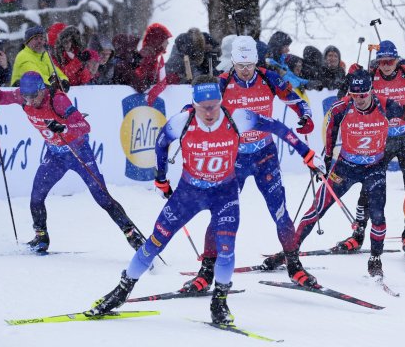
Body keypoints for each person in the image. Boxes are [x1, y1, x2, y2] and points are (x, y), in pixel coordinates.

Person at [87, 75, 323, 323]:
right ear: (193, 104)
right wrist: (161, 179)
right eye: (203, 107)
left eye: (214, 105)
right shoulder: (182, 121)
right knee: (155, 242)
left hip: (225, 193)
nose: (209, 112)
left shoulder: (238, 117)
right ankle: (122, 290)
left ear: (221, 101)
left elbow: (279, 128)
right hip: (189, 193)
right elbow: (160, 144)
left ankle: (219, 301)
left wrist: (307, 153)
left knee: (226, 249)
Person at [277, 70, 405, 286]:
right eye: (355, 94)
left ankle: (375, 259)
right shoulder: (342, 107)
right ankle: (291, 254)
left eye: (364, 94)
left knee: (378, 216)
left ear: (371, 91)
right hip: (346, 167)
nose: (359, 99)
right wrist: (328, 159)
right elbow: (331, 130)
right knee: (317, 208)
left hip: (374, 167)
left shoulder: (387, 105)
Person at [182, 37, 315, 291]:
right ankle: (206, 272)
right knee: (220, 214)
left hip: (265, 155)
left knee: (280, 211)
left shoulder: (269, 78)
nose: (245, 70)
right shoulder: (222, 82)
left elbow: (297, 101)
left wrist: (305, 116)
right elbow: (196, 107)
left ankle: (294, 266)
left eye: (250, 64)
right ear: (233, 61)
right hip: (234, 158)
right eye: (241, 64)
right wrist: (186, 120)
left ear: (256, 61)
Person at [0, 72, 145, 253]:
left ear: (42, 89)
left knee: (101, 196)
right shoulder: (22, 96)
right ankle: (41, 237)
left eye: (33, 96)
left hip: (79, 153)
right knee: (36, 196)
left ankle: (131, 233)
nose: (29, 101)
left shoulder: (58, 100)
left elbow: (85, 126)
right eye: (25, 96)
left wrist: (65, 127)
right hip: (56, 156)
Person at [331, 41, 405, 255]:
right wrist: (349, 77)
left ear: (397, 60)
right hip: (381, 139)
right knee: (368, 188)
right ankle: (358, 235)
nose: (386, 65)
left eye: (390, 61)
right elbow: (342, 96)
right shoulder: (369, 75)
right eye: (382, 61)